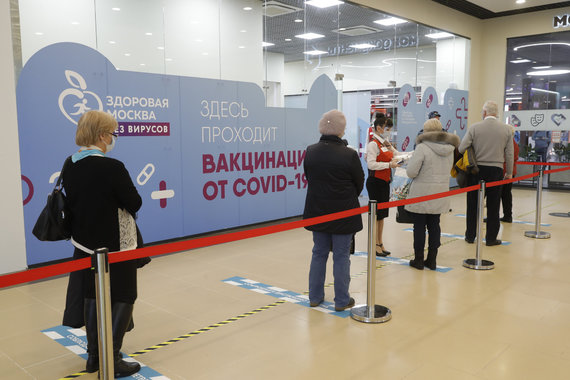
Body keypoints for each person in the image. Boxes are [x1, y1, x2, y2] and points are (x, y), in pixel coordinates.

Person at [62, 110, 142, 377]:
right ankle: (113, 359)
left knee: (92, 296)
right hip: (116, 245)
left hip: (84, 245)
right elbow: (134, 202)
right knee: (124, 295)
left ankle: (95, 357)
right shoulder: (112, 167)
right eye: (111, 132)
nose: (113, 137)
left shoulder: (70, 163)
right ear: (101, 135)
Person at [303, 109, 364, 312]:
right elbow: (359, 182)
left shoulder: (310, 151)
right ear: (341, 130)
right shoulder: (349, 155)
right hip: (343, 213)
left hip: (318, 210)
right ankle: (341, 300)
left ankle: (315, 296)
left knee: (318, 253)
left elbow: (309, 177)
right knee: (341, 256)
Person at [405, 119, 460, 270]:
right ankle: (432, 259)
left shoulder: (422, 148)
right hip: (440, 192)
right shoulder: (450, 148)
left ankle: (418, 260)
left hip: (422, 193)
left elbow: (411, 172)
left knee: (419, 227)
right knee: (434, 226)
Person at [459, 101, 513, 246]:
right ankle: (490, 238)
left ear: (484, 113)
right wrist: (509, 173)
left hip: (476, 170)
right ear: (497, 114)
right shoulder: (506, 129)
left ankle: (470, 236)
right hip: (496, 170)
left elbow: (461, 147)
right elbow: (509, 153)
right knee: (494, 205)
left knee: (473, 204)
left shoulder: (474, 128)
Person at [366, 113, 405, 256]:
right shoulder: (373, 144)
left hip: (384, 182)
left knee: (382, 215)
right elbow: (371, 164)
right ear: (378, 128)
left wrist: (410, 155)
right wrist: (389, 164)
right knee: (376, 215)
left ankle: (380, 243)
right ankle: (374, 244)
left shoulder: (385, 143)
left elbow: (397, 154)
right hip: (375, 182)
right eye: (386, 128)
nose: (388, 131)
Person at [500, 126, 519, 223]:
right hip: (510, 171)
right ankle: (507, 215)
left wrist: (508, 172)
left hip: (505, 171)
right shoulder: (514, 143)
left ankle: (506, 216)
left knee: (501, 194)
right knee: (506, 194)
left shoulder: (509, 143)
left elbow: (508, 157)